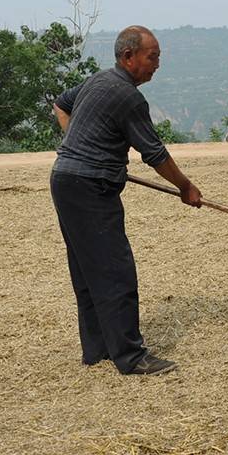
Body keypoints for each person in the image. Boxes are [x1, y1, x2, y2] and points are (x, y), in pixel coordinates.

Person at [50, 25, 202, 376]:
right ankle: (130, 356)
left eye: (159, 57)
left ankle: (98, 349)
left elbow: (60, 104)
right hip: (89, 187)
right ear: (128, 56)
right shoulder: (127, 96)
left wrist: (78, 143)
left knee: (87, 270)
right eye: (153, 57)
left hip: (65, 180)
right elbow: (155, 153)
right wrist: (185, 187)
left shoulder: (98, 81)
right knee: (115, 269)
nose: (157, 65)